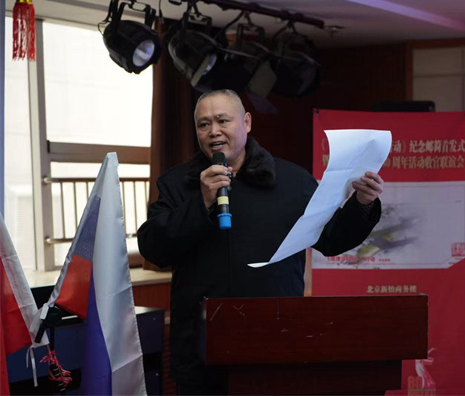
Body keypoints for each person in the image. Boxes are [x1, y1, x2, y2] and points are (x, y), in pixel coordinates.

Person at [137, 89, 384, 394]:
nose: (214, 131)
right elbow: (154, 248)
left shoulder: (292, 180)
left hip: (276, 346)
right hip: (201, 351)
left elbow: (331, 239)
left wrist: (362, 204)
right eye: (203, 124)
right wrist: (201, 203)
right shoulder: (178, 183)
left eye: (223, 121)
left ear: (247, 123)